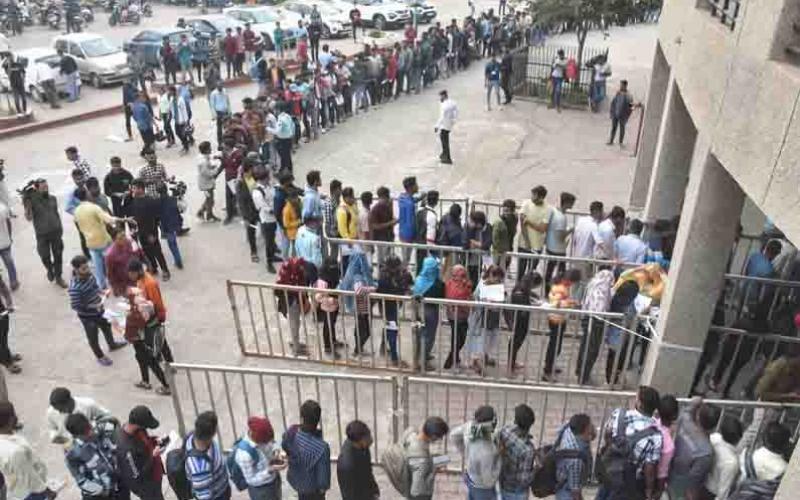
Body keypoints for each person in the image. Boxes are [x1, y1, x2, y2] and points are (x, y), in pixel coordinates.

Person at [597, 386, 663, 500]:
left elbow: (607, 434)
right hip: (628, 481)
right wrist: (649, 490)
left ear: (640, 404)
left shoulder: (619, 415)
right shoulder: (655, 436)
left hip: (609, 470)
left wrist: (613, 451)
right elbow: (649, 468)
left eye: (636, 398)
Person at [69, 255, 127, 366]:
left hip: (99, 310)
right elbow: (75, 306)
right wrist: (92, 306)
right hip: (88, 317)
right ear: (76, 270)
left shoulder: (90, 276)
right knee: (93, 337)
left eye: (87, 267)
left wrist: (102, 292)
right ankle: (100, 356)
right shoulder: (75, 289)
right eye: (83, 269)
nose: (87, 270)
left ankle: (112, 345)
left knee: (106, 327)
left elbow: (95, 288)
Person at [0, 401, 58, 500]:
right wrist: (47, 491)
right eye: (13, 414)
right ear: (10, 420)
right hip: (30, 492)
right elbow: (30, 478)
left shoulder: (7, 440)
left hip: (17, 486)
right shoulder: (15, 452)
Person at [64, 412, 126, 500]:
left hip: (119, 484)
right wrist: (103, 491)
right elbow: (81, 480)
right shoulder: (72, 453)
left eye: (89, 428)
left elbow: (115, 423)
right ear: (75, 435)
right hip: (99, 495)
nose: (90, 433)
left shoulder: (100, 428)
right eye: (85, 433)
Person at [668, 397, 719, 500]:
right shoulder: (706, 452)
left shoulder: (685, 421)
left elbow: (687, 410)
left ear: (698, 416)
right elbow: (693, 483)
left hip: (669, 472)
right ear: (714, 427)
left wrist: (696, 402)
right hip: (680, 488)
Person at [73, 189, 122, 290]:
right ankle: (116, 283)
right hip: (103, 240)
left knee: (98, 266)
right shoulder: (94, 208)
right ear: (87, 194)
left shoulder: (76, 211)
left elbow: (77, 224)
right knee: (110, 263)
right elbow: (108, 219)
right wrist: (122, 220)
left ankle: (102, 286)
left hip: (90, 243)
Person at [282, 400, 331, 500]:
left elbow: (284, 446)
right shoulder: (322, 448)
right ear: (318, 420)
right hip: (312, 491)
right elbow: (323, 481)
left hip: (295, 481)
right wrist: (322, 491)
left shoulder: (291, 432)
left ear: (301, 418)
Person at [450, 405, 501, 499]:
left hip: (470, 475)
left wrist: (465, 452)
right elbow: (488, 481)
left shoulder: (470, 427)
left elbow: (454, 435)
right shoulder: (487, 450)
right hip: (482, 487)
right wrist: (498, 463)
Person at [23, 179, 67, 287]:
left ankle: (59, 277)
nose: (46, 189)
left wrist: (60, 228)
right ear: (37, 189)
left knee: (58, 255)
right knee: (44, 255)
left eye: (46, 187)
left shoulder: (53, 198)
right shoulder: (32, 201)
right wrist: (27, 204)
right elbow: (28, 217)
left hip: (56, 232)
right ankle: (49, 268)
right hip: (42, 234)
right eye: (43, 188)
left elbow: (56, 213)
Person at [115, 405, 165, 500]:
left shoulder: (136, 429)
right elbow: (137, 476)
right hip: (146, 486)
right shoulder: (126, 449)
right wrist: (153, 457)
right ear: (138, 425)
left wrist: (153, 440)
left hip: (154, 475)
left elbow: (143, 440)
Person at [234, 416, 284, 500]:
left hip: (273, 481)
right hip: (262, 491)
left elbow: (272, 443)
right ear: (257, 440)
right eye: (265, 442)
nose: (268, 443)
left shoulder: (263, 436)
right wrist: (269, 470)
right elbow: (251, 480)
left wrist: (276, 452)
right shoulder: (244, 455)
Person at [186, 411, 231, 500]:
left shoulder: (192, 437)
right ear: (213, 433)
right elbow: (204, 497)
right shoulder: (200, 468)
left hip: (221, 488)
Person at [130, 180, 170, 280]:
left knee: (157, 251)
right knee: (146, 251)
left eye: (134, 188)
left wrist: (153, 234)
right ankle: (154, 267)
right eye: (132, 188)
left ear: (141, 189)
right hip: (141, 231)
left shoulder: (150, 201)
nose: (133, 190)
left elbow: (155, 218)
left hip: (151, 231)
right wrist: (134, 229)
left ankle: (165, 270)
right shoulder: (134, 200)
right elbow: (136, 216)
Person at [402, 416, 449, 500]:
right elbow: (417, 491)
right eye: (440, 437)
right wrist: (434, 469)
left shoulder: (411, 434)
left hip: (409, 477)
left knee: (445, 459)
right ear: (433, 436)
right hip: (421, 496)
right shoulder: (422, 461)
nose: (440, 439)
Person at [377, 256, 412, 366]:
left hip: (391, 306)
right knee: (392, 331)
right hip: (388, 307)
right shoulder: (385, 277)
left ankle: (383, 347)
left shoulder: (401, 274)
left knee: (387, 325)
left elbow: (409, 285)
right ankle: (394, 358)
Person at [339, 251, 377, 356]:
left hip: (357, 307)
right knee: (365, 330)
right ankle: (357, 350)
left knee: (359, 328)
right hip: (362, 308)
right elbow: (359, 289)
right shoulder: (358, 276)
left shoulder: (349, 273)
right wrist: (373, 288)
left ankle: (358, 349)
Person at [496, 404, 536, 499]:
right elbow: (523, 480)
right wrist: (537, 468)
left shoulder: (506, 431)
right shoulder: (528, 450)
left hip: (502, 483)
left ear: (515, 421)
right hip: (516, 492)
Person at [412, 256, 445, 370]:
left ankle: (417, 358)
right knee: (428, 336)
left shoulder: (418, 279)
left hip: (416, 310)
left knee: (418, 334)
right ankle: (423, 362)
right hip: (430, 312)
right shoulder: (437, 284)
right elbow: (443, 297)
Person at [47, 387, 111, 445]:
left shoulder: (88, 404)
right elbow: (52, 429)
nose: (60, 412)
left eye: (61, 409)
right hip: (74, 448)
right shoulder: (51, 412)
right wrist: (58, 438)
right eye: (57, 409)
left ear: (68, 401)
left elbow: (107, 416)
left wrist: (94, 427)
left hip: (95, 440)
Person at [554, 413, 595, 500]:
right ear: (586, 429)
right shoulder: (576, 459)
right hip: (567, 491)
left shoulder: (569, 429)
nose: (592, 427)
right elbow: (574, 490)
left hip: (562, 480)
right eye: (590, 426)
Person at [508, 272, 542, 372]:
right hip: (519, 321)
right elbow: (522, 306)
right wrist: (534, 305)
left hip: (522, 320)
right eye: (535, 286)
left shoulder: (522, 286)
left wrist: (533, 297)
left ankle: (512, 362)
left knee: (517, 341)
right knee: (516, 341)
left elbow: (528, 296)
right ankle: (511, 364)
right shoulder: (519, 291)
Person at [337, 420, 379, 500]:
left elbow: (368, 471)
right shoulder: (346, 465)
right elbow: (348, 494)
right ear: (359, 441)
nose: (371, 439)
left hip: (366, 491)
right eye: (368, 437)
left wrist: (374, 491)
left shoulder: (363, 447)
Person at [704, 416, 743, 500]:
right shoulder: (731, 462)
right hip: (712, 493)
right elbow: (723, 491)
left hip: (702, 483)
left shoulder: (714, 438)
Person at [443, 264, 472, 370]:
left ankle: (454, 358)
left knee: (460, 338)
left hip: (463, 316)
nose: (463, 276)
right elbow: (457, 297)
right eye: (460, 274)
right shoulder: (451, 284)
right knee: (457, 339)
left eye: (463, 274)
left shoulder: (465, 284)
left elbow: (468, 296)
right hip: (454, 316)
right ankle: (451, 359)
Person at [544, 192, 575, 288]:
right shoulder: (561, 218)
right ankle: (557, 291)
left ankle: (547, 290)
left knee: (549, 270)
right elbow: (561, 236)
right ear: (566, 203)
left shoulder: (554, 211)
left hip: (551, 246)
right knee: (561, 273)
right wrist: (570, 229)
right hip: (558, 250)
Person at [518, 185, 550, 278]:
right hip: (523, 244)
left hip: (537, 246)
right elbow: (522, 223)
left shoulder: (547, 209)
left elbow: (542, 228)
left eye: (534, 195)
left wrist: (528, 222)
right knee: (520, 271)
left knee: (531, 273)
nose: (532, 197)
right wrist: (527, 242)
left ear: (541, 197)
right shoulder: (526, 204)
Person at [105, 223, 143, 297]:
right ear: (114, 240)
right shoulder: (110, 255)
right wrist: (115, 288)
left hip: (138, 278)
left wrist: (147, 264)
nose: (124, 239)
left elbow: (140, 253)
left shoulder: (130, 242)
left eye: (124, 235)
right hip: (126, 285)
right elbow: (110, 274)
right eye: (120, 238)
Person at [252, 167, 278, 273]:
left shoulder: (269, 186)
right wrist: (275, 210)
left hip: (273, 218)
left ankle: (273, 255)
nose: (270, 179)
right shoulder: (257, 193)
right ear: (263, 179)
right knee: (269, 241)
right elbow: (264, 207)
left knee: (272, 239)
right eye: (268, 177)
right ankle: (269, 263)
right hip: (267, 220)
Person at [655, 395, 678, 498]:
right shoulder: (669, 445)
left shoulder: (651, 422)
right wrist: (659, 492)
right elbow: (661, 472)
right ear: (675, 416)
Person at [196, 141, 223, 222]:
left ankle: (202, 212)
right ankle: (209, 215)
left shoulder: (203, 157)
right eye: (209, 148)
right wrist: (215, 170)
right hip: (206, 183)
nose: (211, 149)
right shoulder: (203, 161)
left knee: (208, 198)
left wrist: (211, 166)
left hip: (206, 182)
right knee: (210, 199)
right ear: (207, 150)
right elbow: (206, 172)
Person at [398, 176, 420, 266]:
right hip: (408, 234)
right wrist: (414, 235)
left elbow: (411, 200)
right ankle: (403, 276)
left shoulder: (402, 198)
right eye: (416, 184)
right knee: (406, 259)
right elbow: (410, 222)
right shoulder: (410, 204)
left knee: (405, 257)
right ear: (411, 187)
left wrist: (419, 198)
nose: (418, 186)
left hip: (402, 232)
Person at [491, 199, 517, 271]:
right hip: (500, 249)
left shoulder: (514, 219)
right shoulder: (500, 221)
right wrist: (498, 249)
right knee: (498, 268)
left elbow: (513, 232)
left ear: (512, 211)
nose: (505, 213)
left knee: (506, 265)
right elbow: (495, 237)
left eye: (508, 211)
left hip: (509, 245)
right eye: (504, 211)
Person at [608, 80, 635, 147]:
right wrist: (612, 112)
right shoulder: (618, 93)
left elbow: (631, 106)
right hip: (616, 113)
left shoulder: (629, 96)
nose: (620, 86)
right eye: (620, 85)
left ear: (625, 86)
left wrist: (628, 115)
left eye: (622, 85)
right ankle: (611, 140)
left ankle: (620, 142)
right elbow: (613, 103)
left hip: (623, 115)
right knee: (614, 128)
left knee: (622, 128)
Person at [435, 90, 457, 164]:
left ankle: (447, 157)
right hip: (449, 124)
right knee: (445, 141)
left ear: (444, 96)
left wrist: (437, 126)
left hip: (444, 125)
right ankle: (444, 155)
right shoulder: (452, 102)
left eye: (441, 96)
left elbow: (442, 117)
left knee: (444, 142)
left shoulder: (444, 105)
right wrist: (453, 121)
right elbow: (456, 112)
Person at [0, 202, 18, 291]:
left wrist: (9, 237)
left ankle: (13, 281)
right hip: (5, 241)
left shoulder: (2, 208)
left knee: (9, 262)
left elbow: (8, 223)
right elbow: (8, 223)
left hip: (4, 242)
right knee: (9, 262)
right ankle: (13, 281)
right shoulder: (2, 207)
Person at [132, 93, 157, 157]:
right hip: (146, 125)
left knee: (146, 140)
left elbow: (134, 117)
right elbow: (148, 116)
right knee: (150, 140)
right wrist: (154, 124)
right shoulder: (143, 106)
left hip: (140, 125)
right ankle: (144, 153)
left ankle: (147, 152)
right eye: (142, 98)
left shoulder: (134, 107)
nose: (143, 99)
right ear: (139, 98)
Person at [210, 82, 232, 148]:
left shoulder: (225, 91)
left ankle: (228, 141)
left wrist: (230, 111)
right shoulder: (213, 94)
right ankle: (220, 143)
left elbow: (228, 102)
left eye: (221, 86)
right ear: (217, 87)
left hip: (226, 112)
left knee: (228, 127)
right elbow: (212, 105)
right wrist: (214, 115)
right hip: (219, 112)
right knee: (219, 129)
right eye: (219, 87)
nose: (220, 88)